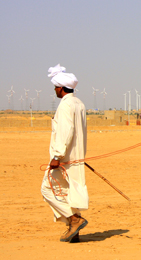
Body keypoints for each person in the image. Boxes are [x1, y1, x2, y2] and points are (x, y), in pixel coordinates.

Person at [41, 64, 88, 242]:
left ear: (60, 88)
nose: (54, 90)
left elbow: (66, 131)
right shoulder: (79, 103)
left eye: (55, 87)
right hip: (76, 157)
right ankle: (74, 232)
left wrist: (57, 156)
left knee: (48, 188)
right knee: (70, 192)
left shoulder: (65, 105)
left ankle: (74, 220)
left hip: (64, 159)